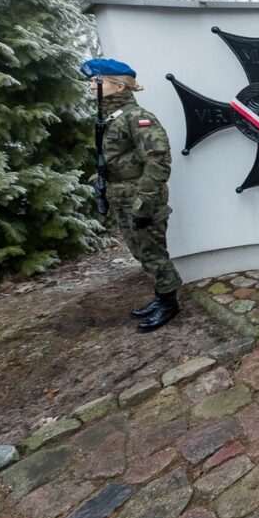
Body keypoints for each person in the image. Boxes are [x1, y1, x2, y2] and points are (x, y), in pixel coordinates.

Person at [81, 58, 182, 333]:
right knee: (139, 251)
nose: (91, 86)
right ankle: (161, 296)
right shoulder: (109, 118)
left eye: (96, 81)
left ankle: (169, 303)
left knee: (152, 252)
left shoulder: (138, 118)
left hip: (140, 197)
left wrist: (145, 200)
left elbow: (158, 159)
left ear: (117, 84)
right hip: (121, 196)